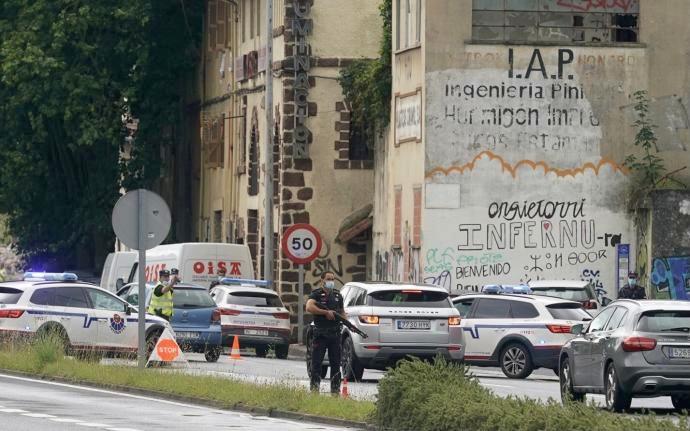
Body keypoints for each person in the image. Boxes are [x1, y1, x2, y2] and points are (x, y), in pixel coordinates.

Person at [306, 271, 344, 394]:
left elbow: (342, 312)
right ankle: (315, 390)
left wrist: (348, 323)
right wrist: (325, 313)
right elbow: (309, 307)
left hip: (335, 334)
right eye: (328, 279)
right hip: (320, 334)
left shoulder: (338, 295)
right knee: (317, 363)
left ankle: (335, 391)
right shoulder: (316, 294)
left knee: (336, 364)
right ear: (322, 280)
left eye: (332, 279)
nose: (331, 281)